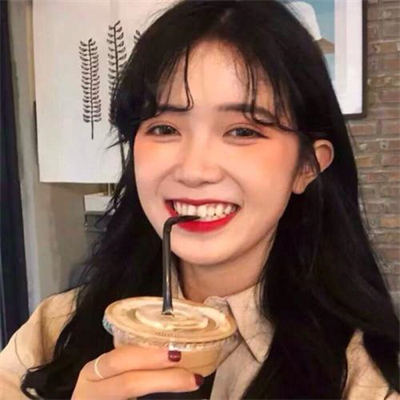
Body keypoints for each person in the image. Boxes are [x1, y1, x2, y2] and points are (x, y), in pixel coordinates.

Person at [1, 0, 399, 399]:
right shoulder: (54, 331)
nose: (194, 170)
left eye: (243, 131)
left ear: (307, 166)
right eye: (164, 128)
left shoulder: (365, 377)